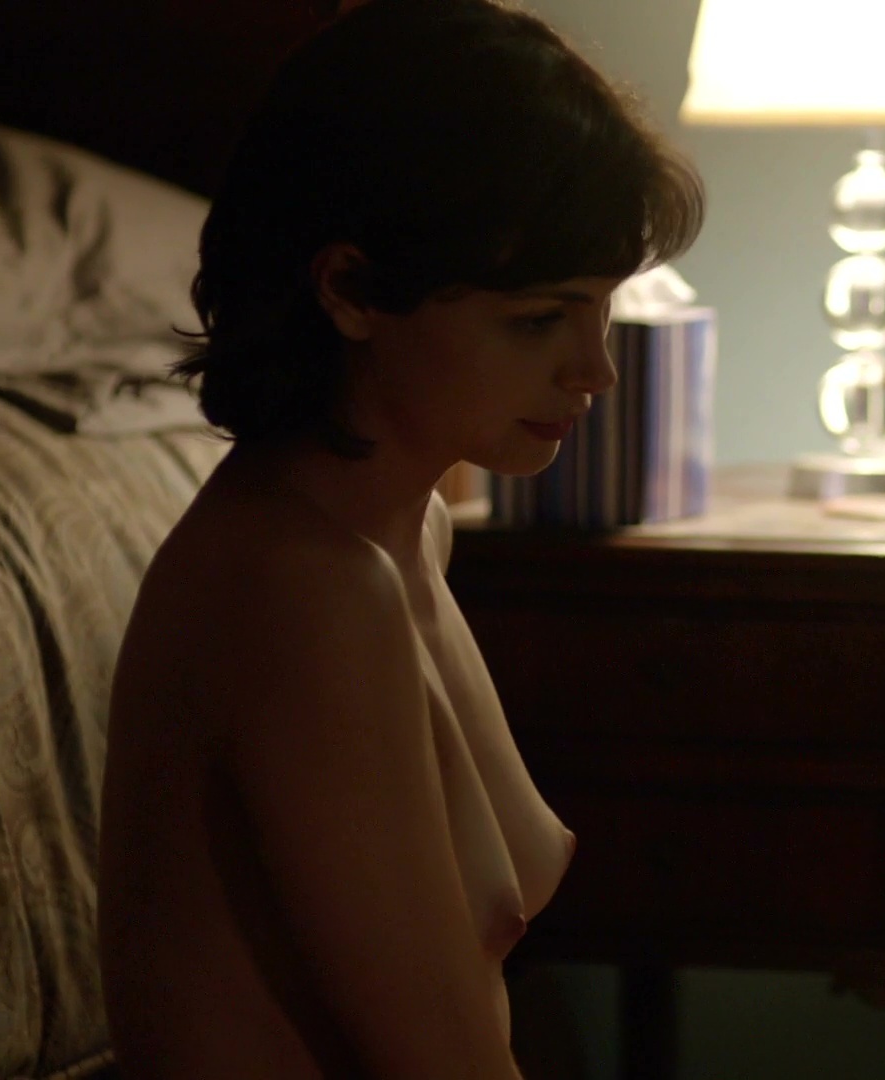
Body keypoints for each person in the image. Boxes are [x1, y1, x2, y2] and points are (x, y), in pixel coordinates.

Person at [97, 0, 702, 1074]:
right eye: (537, 320)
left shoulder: (405, 530)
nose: (595, 370)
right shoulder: (304, 590)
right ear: (351, 289)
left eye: (601, 308)